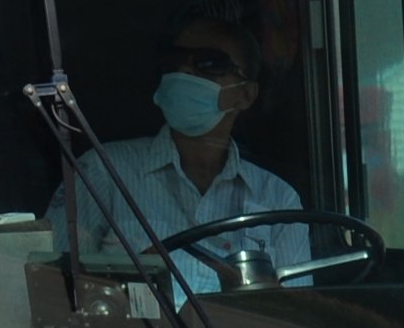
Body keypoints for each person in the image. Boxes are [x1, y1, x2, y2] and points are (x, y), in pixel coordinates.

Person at [57, 17, 311, 301]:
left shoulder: (279, 201)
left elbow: (296, 318)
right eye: (176, 60)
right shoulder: (102, 172)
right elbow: (57, 287)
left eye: (210, 63)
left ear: (245, 95)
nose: (185, 70)